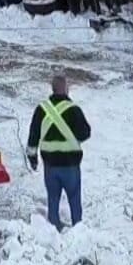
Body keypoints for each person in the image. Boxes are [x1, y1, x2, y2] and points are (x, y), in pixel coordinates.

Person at [25, 74, 91, 230]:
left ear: (52, 89)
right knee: (74, 199)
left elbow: (33, 136)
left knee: (53, 199)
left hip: (50, 165)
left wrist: (32, 158)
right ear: (66, 89)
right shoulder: (74, 110)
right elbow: (85, 133)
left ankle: (53, 228)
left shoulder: (42, 109)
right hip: (70, 166)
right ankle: (78, 230)